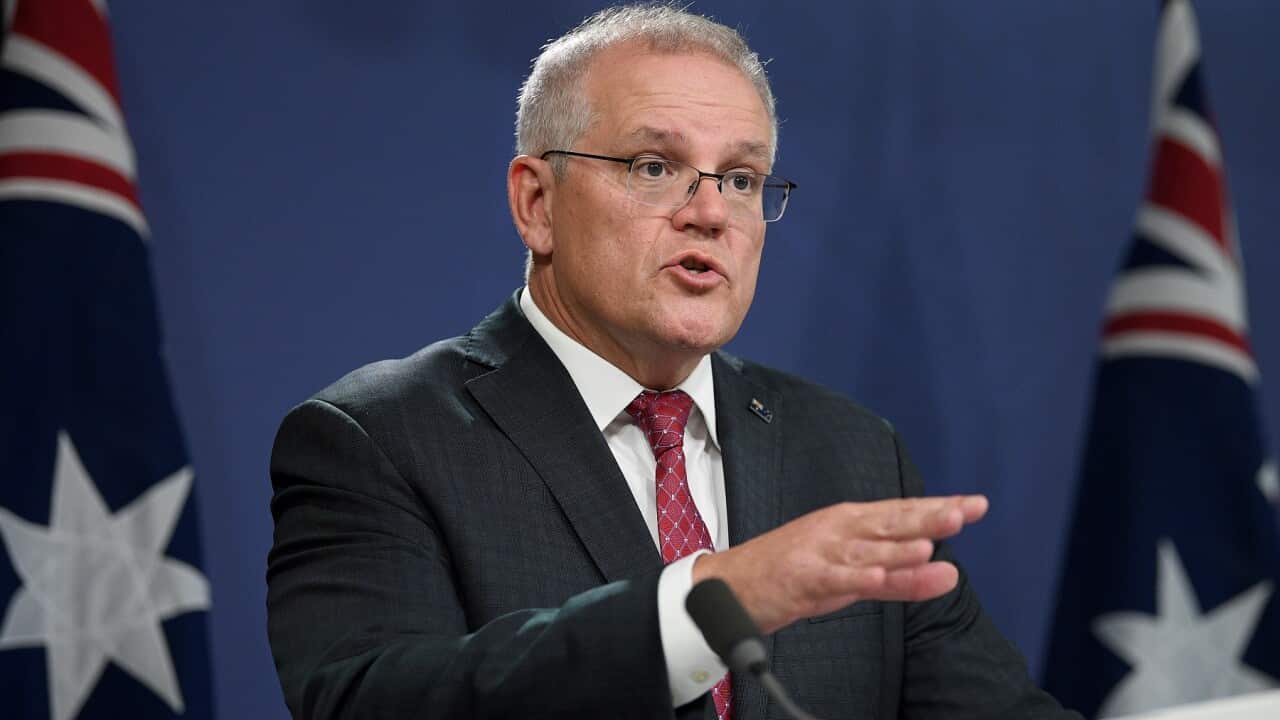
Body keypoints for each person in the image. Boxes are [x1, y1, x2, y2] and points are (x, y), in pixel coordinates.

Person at [266, 5, 1080, 719]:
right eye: (655, 167)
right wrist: (707, 607)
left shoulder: (851, 452)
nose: (711, 213)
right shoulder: (380, 439)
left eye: (740, 176)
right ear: (537, 204)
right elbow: (373, 701)